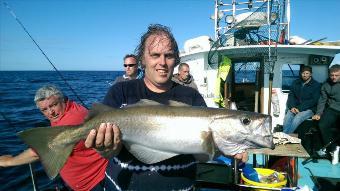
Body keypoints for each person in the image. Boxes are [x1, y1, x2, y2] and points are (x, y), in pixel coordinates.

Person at [84, 24, 248, 191]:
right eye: (155, 55)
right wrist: (106, 150)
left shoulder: (191, 97)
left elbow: (200, 155)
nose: (162, 62)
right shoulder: (121, 91)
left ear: (176, 59)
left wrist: (220, 148)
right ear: (143, 59)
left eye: (168, 56)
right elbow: (110, 150)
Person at [0, 85, 109, 191]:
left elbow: (43, 150)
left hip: (94, 183)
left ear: (62, 100)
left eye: (53, 105)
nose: (50, 112)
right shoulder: (70, 107)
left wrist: (8, 161)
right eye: (44, 110)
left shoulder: (72, 120)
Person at [282, 65, 321, 134]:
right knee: (288, 116)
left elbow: (314, 101)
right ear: (301, 73)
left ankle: (285, 135)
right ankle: (285, 135)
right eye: (303, 73)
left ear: (310, 74)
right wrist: (292, 107)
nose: (305, 75)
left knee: (298, 117)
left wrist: (300, 108)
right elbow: (291, 96)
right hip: (295, 107)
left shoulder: (316, 85)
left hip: (309, 109)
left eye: (307, 73)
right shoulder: (296, 83)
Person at [312, 64, 340, 156]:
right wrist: (318, 113)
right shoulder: (326, 85)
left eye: (336, 75)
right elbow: (322, 100)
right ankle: (332, 149)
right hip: (333, 108)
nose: (333, 77)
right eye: (332, 75)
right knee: (322, 124)